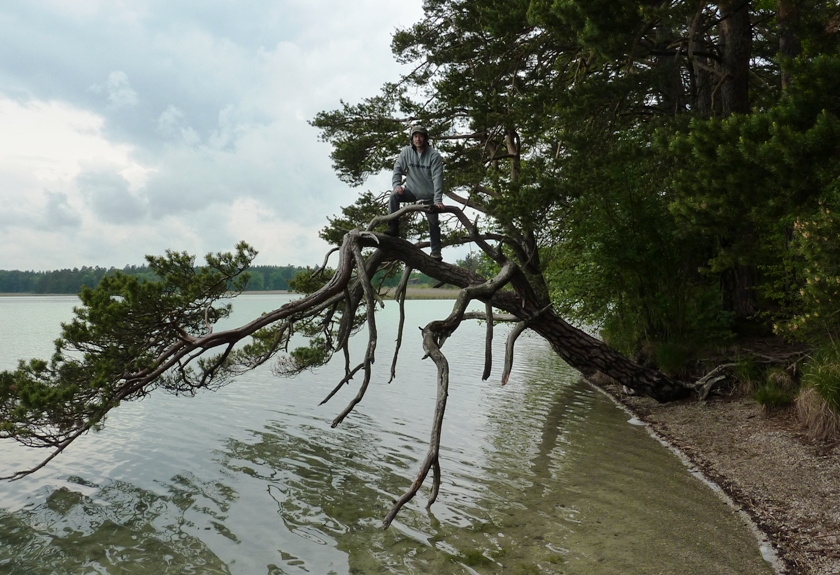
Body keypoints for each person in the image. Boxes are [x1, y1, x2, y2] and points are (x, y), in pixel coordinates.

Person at [384, 125, 445, 261]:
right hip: (411, 191)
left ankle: (436, 253)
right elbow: (397, 169)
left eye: (421, 136)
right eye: (415, 136)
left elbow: (437, 179)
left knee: (433, 224)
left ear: (425, 138)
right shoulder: (406, 152)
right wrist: (397, 185)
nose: (418, 139)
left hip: (429, 195)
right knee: (394, 196)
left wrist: (438, 200)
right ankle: (393, 227)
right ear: (412, 138)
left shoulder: (434, 156)